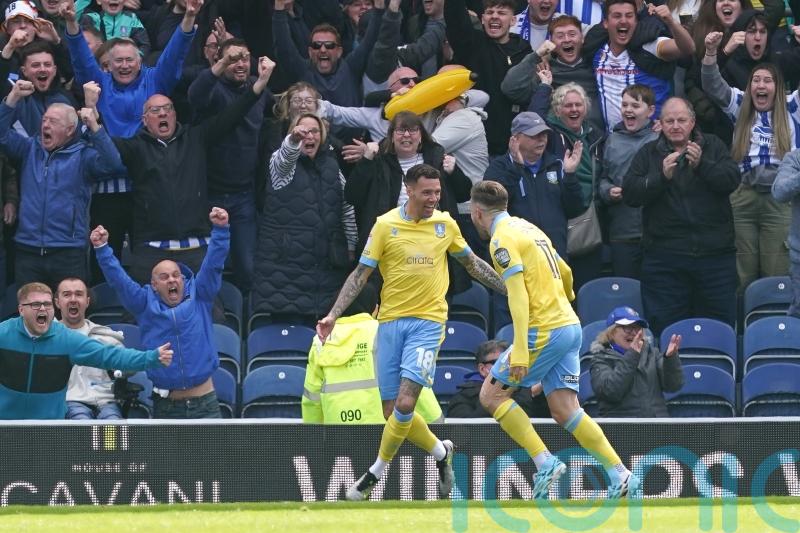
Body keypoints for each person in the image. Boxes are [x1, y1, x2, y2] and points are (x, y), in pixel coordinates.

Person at [316, 163, 507, 501]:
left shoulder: (445, 225)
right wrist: (333, 314)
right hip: (390, 324)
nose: (434, 198)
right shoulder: (385, 226)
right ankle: (441, 452)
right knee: (392, 411)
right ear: (409, 190)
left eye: (437, 192)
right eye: (427, 192)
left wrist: (510, 288)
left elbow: (472, 264)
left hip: (428, 323)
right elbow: (361, 274)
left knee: (406, 401)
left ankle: (375, 472)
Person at [469, 180, 640, 499]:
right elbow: (566, 271)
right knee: (565, 410)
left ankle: (544, 462)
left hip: (543, 328)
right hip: (569, 325)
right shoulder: (529, 228)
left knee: (491, 396)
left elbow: (517, 295)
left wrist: (521, 350)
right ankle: (620, 474)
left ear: (477, 212)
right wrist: (567, 295)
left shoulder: (501, 239)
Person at [107, 56, 274, 285]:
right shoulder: (135, 147)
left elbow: (232, 114)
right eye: (155, 111)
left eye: (168, 109)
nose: (163, 114)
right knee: (143, 306)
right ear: (144, 120)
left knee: (210, 305)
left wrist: (260, 84)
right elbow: (105, 146)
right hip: (151, 249)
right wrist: (92, 121)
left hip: (198, 247)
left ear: (175, 114)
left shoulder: (196, 137)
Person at [90, 208, 231, 419]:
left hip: (205, 405)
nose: (172, 280)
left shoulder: (200, 294)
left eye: (176, 275)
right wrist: (102, 249)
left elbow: (214, 263)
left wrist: (220, 230)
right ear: (154, 285)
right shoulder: (143, 303)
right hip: (166, 406)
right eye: (164, 277)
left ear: (183, 279)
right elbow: (119, 280)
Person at [623, 97, 740, 336]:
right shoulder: (648, 153)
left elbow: (731, 180)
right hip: (665, 262)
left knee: (717, 331)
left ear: (692, 122)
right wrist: (661, 177)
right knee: (666, 331)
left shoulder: (713, 146)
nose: (676, 126)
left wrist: (702, 165)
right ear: (660, 124)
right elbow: (630, 193)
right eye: (669, 121)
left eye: (681, 120)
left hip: (715, 259)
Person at [0, 80, 121, 289]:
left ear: (70, 130)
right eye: (44, 120)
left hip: (68, 251)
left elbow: (113, 164)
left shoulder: (83, 156)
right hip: (28, 249)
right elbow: (2, 134)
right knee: (28, 307)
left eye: (53, 122)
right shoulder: (30, 148)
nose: (45, 125)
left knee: (70, 308)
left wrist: (94, 126)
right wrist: (13, 98)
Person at [702, 31, 795, 291]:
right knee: (742, 272)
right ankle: (743, 316)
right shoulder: (741, 104)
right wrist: (710, 52)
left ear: (778, 87)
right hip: (743, 195)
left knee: (776, 271)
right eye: (756, 80)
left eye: (767, 81)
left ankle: (772, 316)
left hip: (780, 197)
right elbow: (712, 84)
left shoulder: (793, 106)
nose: (761, 86)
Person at [0, 281, 172, 419]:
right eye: (36, 304)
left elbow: (111, 355)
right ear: (21, 310)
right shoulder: (4, 334)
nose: (43, 309)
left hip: (49, 428)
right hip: (6, 425)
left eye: (47, 304)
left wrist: (151, 357)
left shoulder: (65, 339)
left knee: (108, 434)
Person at [251, 112, 357, 325]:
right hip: (286, 271)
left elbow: (346, 208)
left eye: (315, 131)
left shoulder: (332, 166)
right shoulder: (282, 164)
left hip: (326, 270)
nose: (309, 136)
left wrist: (351, 244)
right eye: (303, 131)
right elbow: (284, 159)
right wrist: (293, 140)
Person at [187, 38, 275, 293]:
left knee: (248, 266)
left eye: (245, 58)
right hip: (210, 194)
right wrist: (223, 61)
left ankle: (247, 314)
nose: (240, 64)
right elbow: (195, 95)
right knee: (210, 266)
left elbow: (281, 110)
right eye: (233, 60)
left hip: (244, 194)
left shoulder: (260, 88)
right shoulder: (214, 89)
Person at [302, 282, 443, 424]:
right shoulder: (387, 333)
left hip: (337, 432)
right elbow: (412, 385)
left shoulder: (321, 340)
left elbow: (312, 398)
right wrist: (436, 422)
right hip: (385, 431)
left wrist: (312, 435)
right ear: (375, 309)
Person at [586, 0, 695, 132]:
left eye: (629, 16)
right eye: (617, 16)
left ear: (636, 21)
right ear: (605, 23)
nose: (623, 21)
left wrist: (671, 22)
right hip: (613, 139)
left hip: (652, 137)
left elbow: (688, 48)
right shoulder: (596, 51)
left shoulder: (649, 45)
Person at [445, 0, 533, 156]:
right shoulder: (471, 44)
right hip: (476, 144)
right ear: (482, 19)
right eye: (490, 12)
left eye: (501, 13)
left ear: (513, 20)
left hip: (514, 144)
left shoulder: (525, 51)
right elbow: (455, 17)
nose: (495, 16)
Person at [502, 15, 605, 133]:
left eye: (572, 34)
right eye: (560, 36)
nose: (567, 39)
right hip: (556, 140)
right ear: (552, 42)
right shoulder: (544, 73)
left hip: (595, 140)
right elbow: (510, 89)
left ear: (582, 38)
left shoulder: (597, 69)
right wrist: (536, 55)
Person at [597, 84, 658, 279]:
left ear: (650, 111)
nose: (628, 110)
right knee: (626, 288)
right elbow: (603, 178)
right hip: (622, 233)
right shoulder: (612, 140)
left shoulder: (660, 138)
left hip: (655, 233)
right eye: (624, 105)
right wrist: (608, 191)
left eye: (635, 105)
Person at [589, 306, 683, 417]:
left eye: (638, 328)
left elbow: (673, 386)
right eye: (627, 328)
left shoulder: (653, 354)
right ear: (611, 332)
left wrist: (670, 359)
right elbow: (611, 392)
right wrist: (632, 355)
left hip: (657, 424)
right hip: (621, 425)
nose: (634, 333)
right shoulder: (601, 359)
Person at [56, 277, 125, 420]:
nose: (73, 299)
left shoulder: (105, 335)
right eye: (67, 295)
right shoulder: (48, 338)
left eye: (79, 294)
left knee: (113, 427)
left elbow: (127, 366)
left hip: (106, 402)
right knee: (82, 423)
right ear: (57, 302)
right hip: (70, 401)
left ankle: (109, 436)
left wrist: (126, 367)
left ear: (87, 301)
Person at [448, 339, 551, 418]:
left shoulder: (529, 391)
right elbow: (464, 431)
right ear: (482, 369)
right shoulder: (464, 396)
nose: (505, 366)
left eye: (508, 361)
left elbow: (547, 427)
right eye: (497, 363)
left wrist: (535, 395)